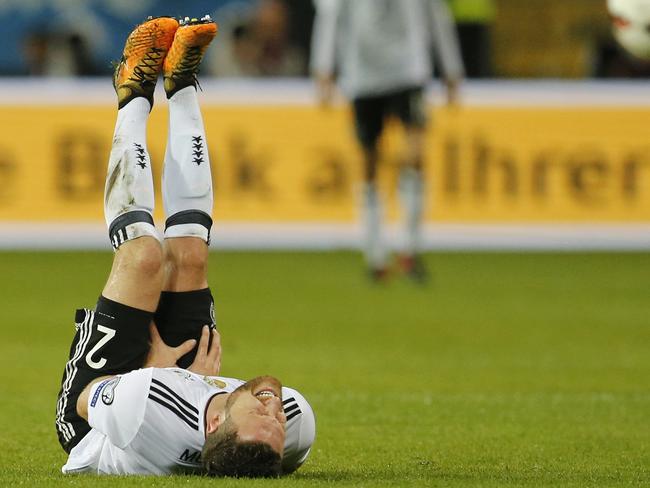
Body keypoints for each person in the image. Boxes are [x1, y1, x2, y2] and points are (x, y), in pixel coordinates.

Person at [54, 15, 315, 477]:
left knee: (144, 256)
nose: (275, 409)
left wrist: (155, 375)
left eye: (260, 414)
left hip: (101, 413)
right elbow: (273, 439)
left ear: (215, 421)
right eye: (276, 421)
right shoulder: (295, 423)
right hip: (179, 387)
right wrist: (196, 382)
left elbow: (85, 400)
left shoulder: (143, 409)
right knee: (190, 257)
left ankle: (133, 90)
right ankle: (183, 82)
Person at [310, 0, 465, 282]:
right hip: (363, 75)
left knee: (416, 152)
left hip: (409, 70)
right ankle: (375, 251)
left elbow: (436, 14)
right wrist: (323, 68)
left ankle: (410, 245)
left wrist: (452, 68)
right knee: (369, 162)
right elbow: (330, 13)